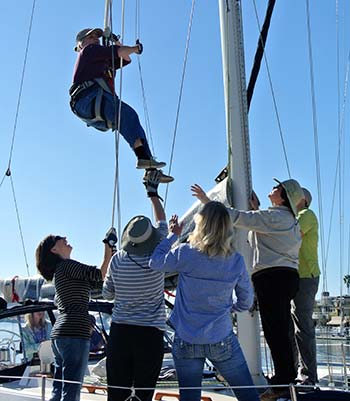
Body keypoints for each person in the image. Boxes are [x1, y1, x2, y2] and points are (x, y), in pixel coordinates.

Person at [191, 179, 304, 401]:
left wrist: (207, 201)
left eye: (276, 188)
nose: (272, 189)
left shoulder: (276, 217)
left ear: (282, 196)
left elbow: (238, 217)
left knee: (275, 331)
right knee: (281, 330)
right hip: (287, 276)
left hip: (273, 278)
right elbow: (260, 225)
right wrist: (257, 210)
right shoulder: (286, 220)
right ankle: (286, 379)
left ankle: (282, 382)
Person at [149, 201, 260, 401]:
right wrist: (231, 308)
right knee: (248, 395)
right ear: (227, 228)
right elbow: (246, 300)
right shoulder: (235, 260)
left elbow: (155, 262)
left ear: (200, 224)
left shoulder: (185, 252)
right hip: (221, 337)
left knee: (189, 397)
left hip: (186, 338)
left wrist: (173, 235)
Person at [70, 27, 173, 183]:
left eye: (97, 37)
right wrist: (136, 48)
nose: (96, 40)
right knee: (127, 115)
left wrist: (115, 40)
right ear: (82, 43)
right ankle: (144, 160)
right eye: (91, 37)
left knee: (130, 119)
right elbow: (119, 51)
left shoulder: (102, 61)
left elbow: (125, 58)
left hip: (93, 104)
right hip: (88, 98)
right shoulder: (89, 51)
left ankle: (149, 168)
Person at [102, 170, 167, 401]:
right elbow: (162, 222)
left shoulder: (118, 259)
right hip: (150, 335)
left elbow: (107, 294)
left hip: (121, 333)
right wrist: (153, 194)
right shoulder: (158, 256)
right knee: (143, 395)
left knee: (116, 395)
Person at [35, 235, 113, 401]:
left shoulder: (61, 272)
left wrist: (110, 257)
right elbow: (100, 273)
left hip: (61, 335)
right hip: (74, 334)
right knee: (71, 391)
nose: (65, 238)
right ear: (54, 249)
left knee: (59, 389)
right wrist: (107, 246)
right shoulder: (67, 266)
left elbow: (100, 280)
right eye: (59, 238)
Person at [292, 188, 320, 385]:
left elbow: (291, 235)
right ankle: (295, 372)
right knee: (295, 327)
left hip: (305, 277)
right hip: (296, 277)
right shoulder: (295, 217)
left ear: (301, 200)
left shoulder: (306, 215)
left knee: (303, 327)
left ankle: (309, 376)